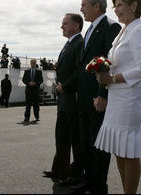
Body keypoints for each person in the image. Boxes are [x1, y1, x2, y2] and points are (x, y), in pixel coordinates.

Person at [94, 0, 141, 194]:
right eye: (115, 6)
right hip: (117, 96)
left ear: (134, 5)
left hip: (129, 98)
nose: (116, 10)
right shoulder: (123, 31)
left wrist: (112, 78)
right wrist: (102, 73)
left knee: (128, 150)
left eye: (120, 5)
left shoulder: (139, 31)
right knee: (119, 149)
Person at [75, 0, 121, 194]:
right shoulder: (89, 30)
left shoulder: (111, 27)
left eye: (84, 4)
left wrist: (103, 94)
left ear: (96, 6)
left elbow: (108, 63)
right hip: (84, 96)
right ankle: (88, 180)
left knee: (98, 144)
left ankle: (99, 186)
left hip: (97, 97)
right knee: (86, 141)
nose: (81, 8)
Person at [43, 13, 84, 185]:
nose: (62, 27)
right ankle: (59, 170)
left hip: (71, 98)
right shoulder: (68, 44)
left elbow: (79, 71)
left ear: (76, 26)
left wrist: (65, 86)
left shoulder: (79, 43)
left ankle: (74, 174)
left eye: (65, 24)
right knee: (61, 136)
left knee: (74, 138)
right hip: (63, 100)